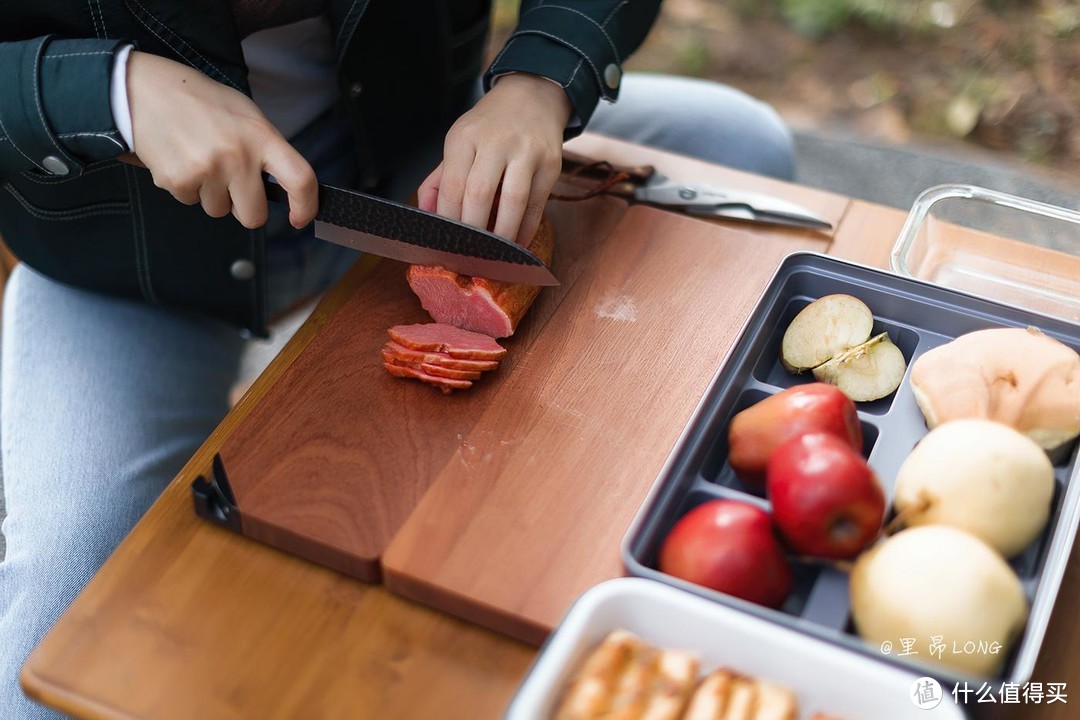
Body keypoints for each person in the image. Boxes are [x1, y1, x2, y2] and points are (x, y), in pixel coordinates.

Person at [0, 2, 795, 717]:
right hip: (131, 267)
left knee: (740, 139)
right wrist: (106, 93)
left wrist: (540, 81)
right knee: (47, 638)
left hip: (432, 176)